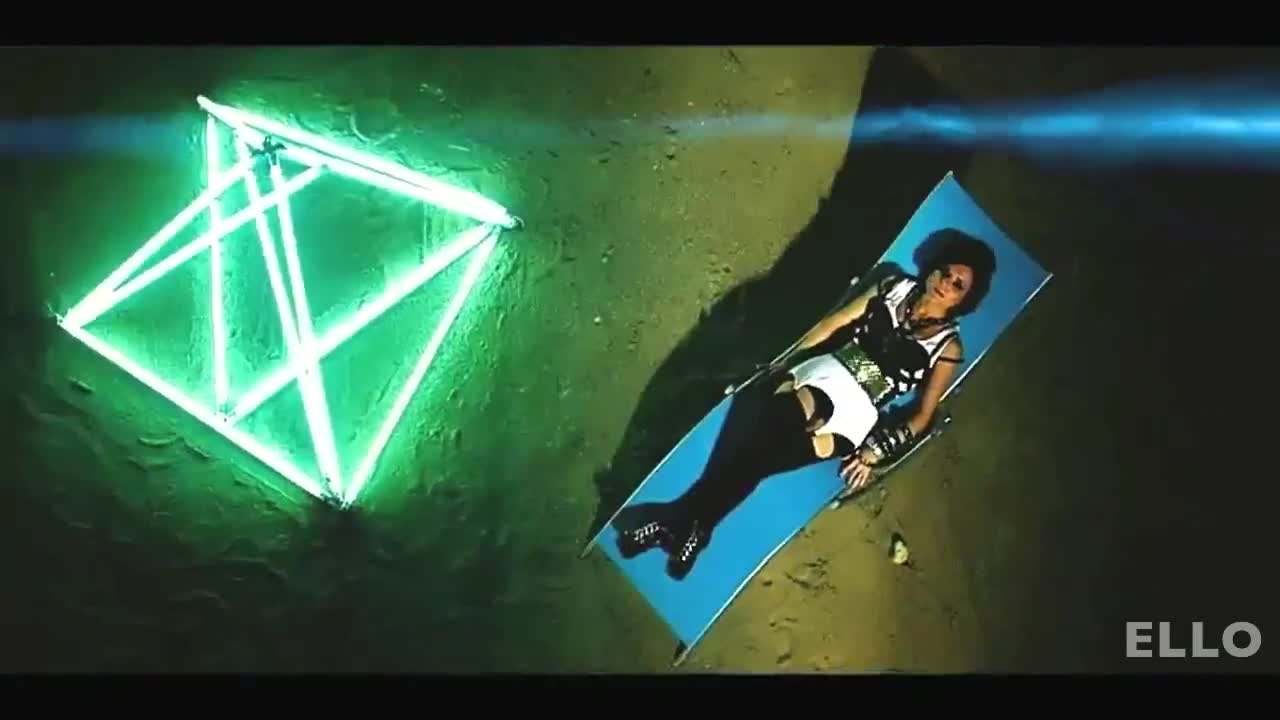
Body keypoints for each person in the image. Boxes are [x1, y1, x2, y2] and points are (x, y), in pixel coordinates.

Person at [614, 228, 997, 581]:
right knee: (759, 451)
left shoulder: (948, 346)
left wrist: (874, 453)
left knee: (758, 460)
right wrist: (785, 360)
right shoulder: (893, 285)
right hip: (827, 376)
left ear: (965, 300)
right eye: (946, 271)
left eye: (958, 285)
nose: (945, 282)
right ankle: (686, 526)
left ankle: (682, 522)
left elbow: (923, 415)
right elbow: (833, 324)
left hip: (860, 413)